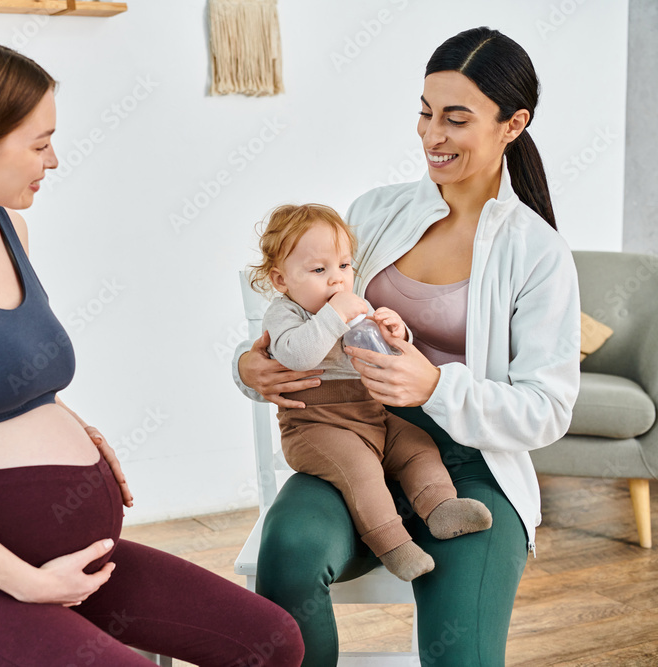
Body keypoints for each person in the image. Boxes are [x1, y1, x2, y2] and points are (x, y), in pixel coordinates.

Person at [0, 37, 303, 666]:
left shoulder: (9, 228)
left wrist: (69, 428)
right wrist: (30, 583)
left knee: (271, 643)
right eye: (39, 143)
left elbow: (0, 373)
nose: (54, 159)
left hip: (69, 565)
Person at [233, 27, 580, 666]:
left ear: (513, 124)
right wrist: (249, 365)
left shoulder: (538, 254)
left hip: (473, 466)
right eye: (424, 112)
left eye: (456, 118)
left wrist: (434, 387)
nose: (431, 135)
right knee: (290, 557)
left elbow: (548, 410)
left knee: (462, 655)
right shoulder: (374, 213)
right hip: (351, 436)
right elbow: (296, 310)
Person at [251, 203, 492, 583]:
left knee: (417, 444)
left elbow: (386, 355)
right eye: (319, 270)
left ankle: (442, 507)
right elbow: (298, 356)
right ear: (281, 280)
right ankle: (394, 545)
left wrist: (396, 333)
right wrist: (335, 315)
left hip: (370, 414)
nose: (337, 281)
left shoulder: (351, 305)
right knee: (361, 469)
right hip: (314, 426)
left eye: (344, 266)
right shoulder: (286, 315)